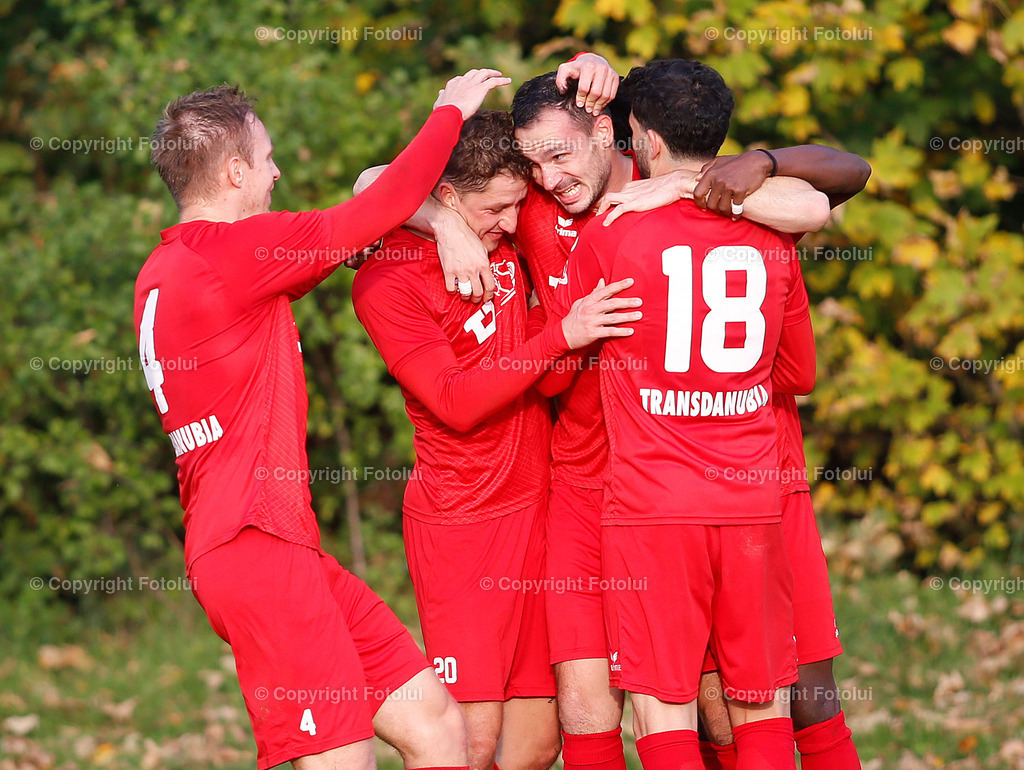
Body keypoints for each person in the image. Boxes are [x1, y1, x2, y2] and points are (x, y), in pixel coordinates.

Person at [134, 70, 510, 770]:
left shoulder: (169, 267)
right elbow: (382, 202)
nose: (277, 172)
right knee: (341, 759)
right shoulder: (229, 255)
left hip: (278, 548)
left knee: (436, 726)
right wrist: (450, 112)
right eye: (268, 157)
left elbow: (356, 231)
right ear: (235, 170)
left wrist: (439, 226)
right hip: (255, 545)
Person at [350, 109, 642, 770]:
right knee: (469, 743)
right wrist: (558, 335)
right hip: (464, 526)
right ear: (447, 196)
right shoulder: (386, 279)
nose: (512, 224)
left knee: (539, 743)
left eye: (517, 206)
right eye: (494, 210)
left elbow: (599, 154)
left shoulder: (500, 237)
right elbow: (454, 403)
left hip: (543, 513)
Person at [565, 58, 817, 770]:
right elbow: (800, 373)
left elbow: (567, 368)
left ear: (641, 138)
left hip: (651, 505)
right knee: (760, 701)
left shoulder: (609, 232)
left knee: (662, 702)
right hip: (751, 500)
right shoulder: (773, 235)